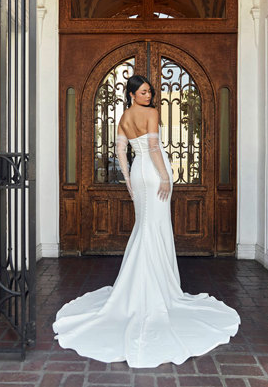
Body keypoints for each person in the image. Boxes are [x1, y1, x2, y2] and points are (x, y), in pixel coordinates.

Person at [52, 75, 240, 368]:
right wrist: (165, 176)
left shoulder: (124, 117)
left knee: (145, 227)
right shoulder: (151, 114)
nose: (149, 95)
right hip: (153, 172)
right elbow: (153, 148)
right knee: (155, 227)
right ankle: (155, 290)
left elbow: (119, 151)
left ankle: (138, 286)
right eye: (143, 91)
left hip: (139, 174)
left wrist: (127, 180)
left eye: (150, 91)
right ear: (131, 93)